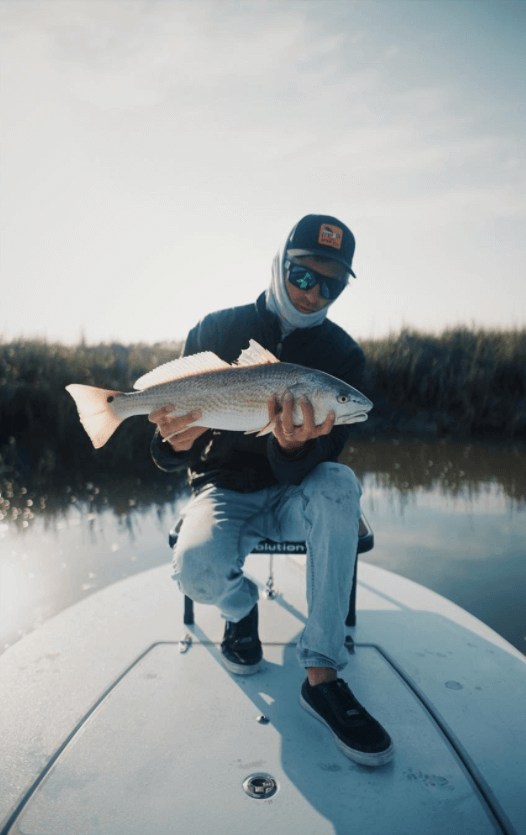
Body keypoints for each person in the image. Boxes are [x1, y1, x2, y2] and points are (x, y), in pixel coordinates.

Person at [149, 214, 394, 767]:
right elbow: (166, 453)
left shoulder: (343, 362)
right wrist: (180, 442)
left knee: (339, 484)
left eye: (330, 284)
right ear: (280, 263)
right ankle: (241, 610)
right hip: (223, 492)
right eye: (303, 275)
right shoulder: (217, 329)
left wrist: (287, 448)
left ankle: (321, 671)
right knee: (194, 569)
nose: (314, 294)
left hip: (296, 497)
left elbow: (321, 460)